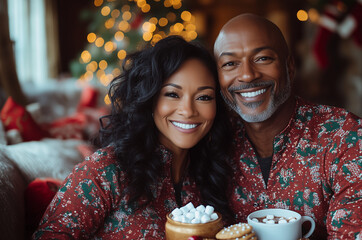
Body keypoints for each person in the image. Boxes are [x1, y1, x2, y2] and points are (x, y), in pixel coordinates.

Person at [214, 13, 362, 239]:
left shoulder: (354, 141)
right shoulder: (214, 145)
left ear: (290, 67)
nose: (247, 75)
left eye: (263, 58)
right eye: (230, 64)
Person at [33, 35, 232, 239]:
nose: (188, 110)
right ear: (149, 97)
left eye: (204, 97)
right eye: (172, 94)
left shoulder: (214, 174)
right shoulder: (104, 171)